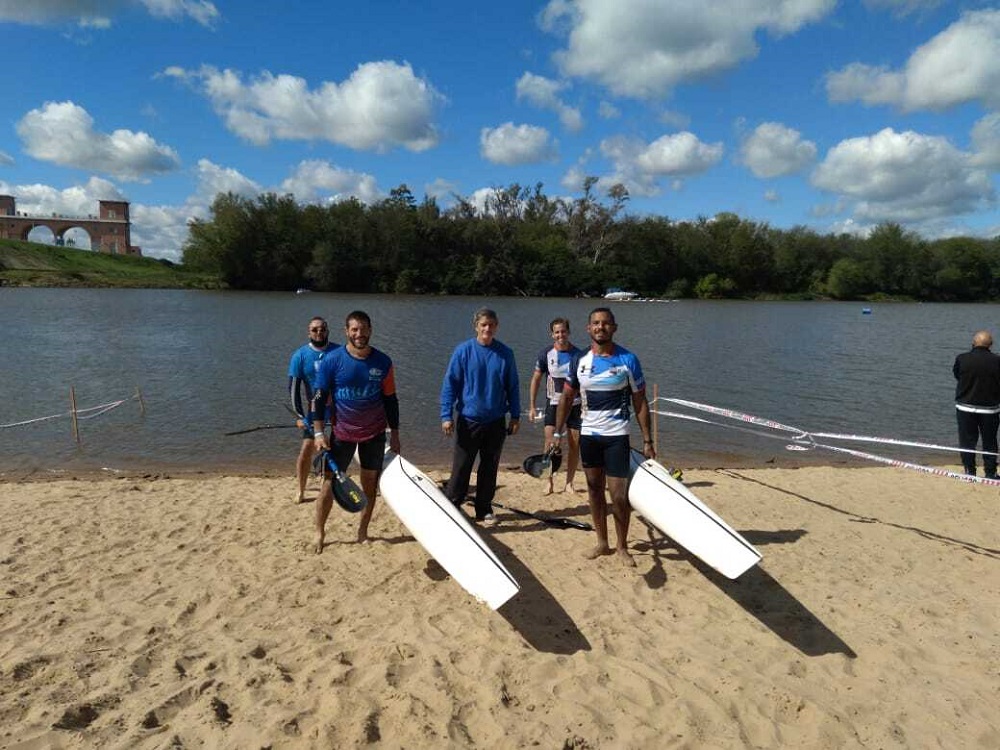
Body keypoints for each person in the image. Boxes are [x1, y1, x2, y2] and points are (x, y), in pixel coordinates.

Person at [549, 307, 655, 567]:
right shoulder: (579, 361)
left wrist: (648, 440)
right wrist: (558, 432)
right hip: (589, 436)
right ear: (588, 329)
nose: (600, 327)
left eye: (605, 323)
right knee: (595, 490)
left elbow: (640, 402)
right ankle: (602, 542)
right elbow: (566, 397)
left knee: (618, 495)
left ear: (614, 327)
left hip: (617, 436)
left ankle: (622, 546)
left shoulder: (628, 360)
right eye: (595, 323)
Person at [312, 311, 401, 549]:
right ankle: (319, 532)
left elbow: (391, 400)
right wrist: (319, 433)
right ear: (346, 331)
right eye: (354, 329)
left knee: (369, 486)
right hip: (342, 434)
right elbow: (318, 399)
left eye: (363, 329)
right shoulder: (332, 360)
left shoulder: (383, 362)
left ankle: (362, 532)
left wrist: (396, 434)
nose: (359, 334)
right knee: (329, 485)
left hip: (374, 434)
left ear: (370, 330)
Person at [440, 307, 520, 527]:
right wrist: (446, 415)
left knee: (489, 466)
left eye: (491, 325)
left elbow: (512, 386)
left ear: (496, 327)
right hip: (468, 420)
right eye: (483, 324)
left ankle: (483, 509)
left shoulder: (505, 353)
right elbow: (450, 384)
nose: (487, 328)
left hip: (495, 420)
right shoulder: (463, 351)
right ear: (476, 326)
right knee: (462, 466)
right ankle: (453, 505)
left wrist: (515, 415)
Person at [528, 317, 582, 494]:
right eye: (557, 332)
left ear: (568, 332)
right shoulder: (546, 354)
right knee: (550, 443)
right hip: (553, 403)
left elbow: (585, 383)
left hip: (575, 404)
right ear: (552, 334)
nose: (561, 335)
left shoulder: (578, 355)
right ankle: (549, 481)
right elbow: (536, 379)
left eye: (563, 331)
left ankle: (569, 482)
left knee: (574, 443)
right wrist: (532, 405)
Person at [287, 316, 338, 503]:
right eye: (315, 329)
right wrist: (300, 415)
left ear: (328, 331)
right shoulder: (299, 356)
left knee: (334, 447)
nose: (319, 332)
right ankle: (301, 490)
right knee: (307, 448)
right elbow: (293, 389)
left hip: (338, 409)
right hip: (315, 409)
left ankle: (328, 484)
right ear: (309, 332)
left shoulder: (339, 351)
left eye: (322, 329)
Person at [953, 330, 1000, 479]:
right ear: (990, 345)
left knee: (967, 441)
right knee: (990, 441)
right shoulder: (997, 361)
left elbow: (957, 375)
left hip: (965, 407)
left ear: (973, 343)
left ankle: (969, 471)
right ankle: (990, 472)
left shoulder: (962, 358)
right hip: (990, 409)